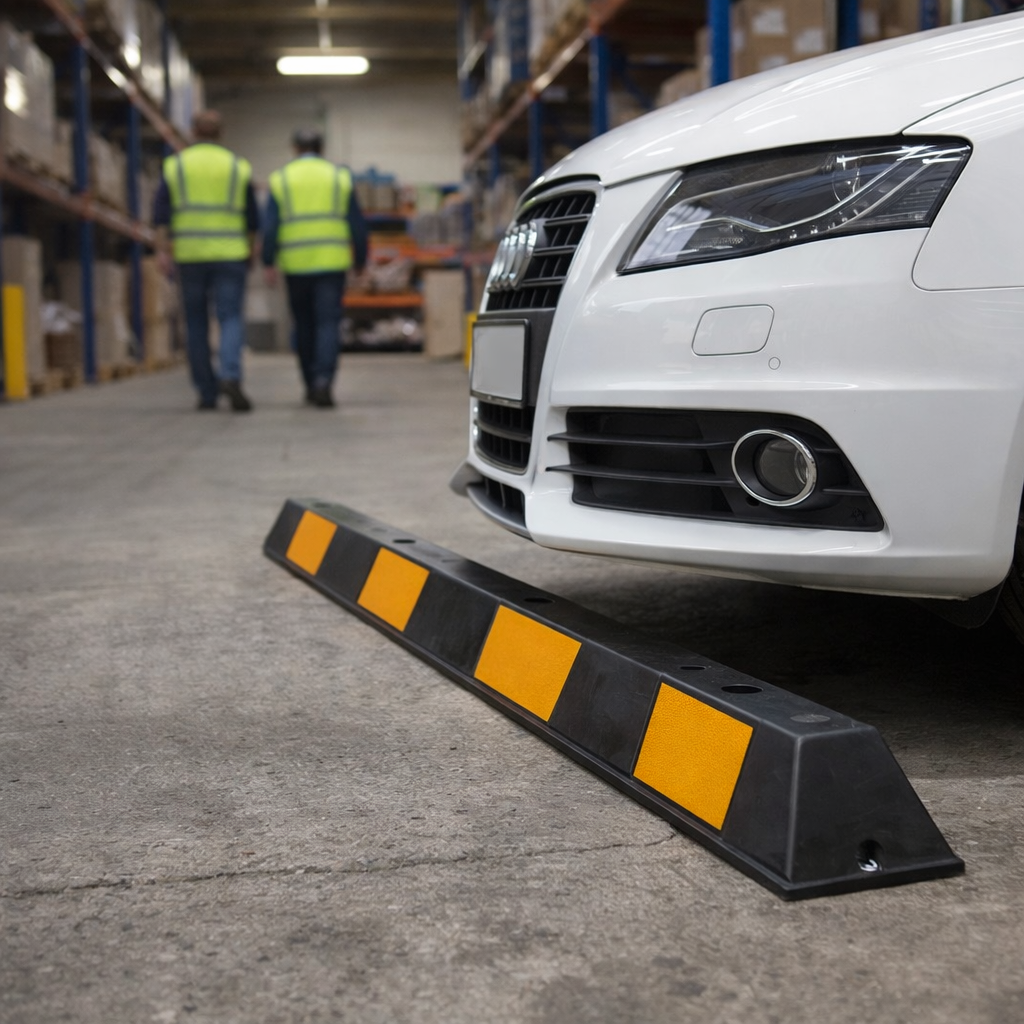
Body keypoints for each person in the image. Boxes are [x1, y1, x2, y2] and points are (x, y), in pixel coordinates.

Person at [153, 109, 259, 412]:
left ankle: (206, 391)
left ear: (193, 132)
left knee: (196, 322)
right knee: (230, 318)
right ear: (221, 133)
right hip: (231, 253)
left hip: (190, 255)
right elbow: (252, 218)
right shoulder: (237, 166)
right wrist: (251, 250)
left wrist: (162, 251)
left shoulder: (176, 166)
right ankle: (231, 375)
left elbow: (161, 214)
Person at [262, 128, 368, 408]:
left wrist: (267, 260)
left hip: (295, 264)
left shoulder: (281, 178)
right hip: (332, 263)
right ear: (321, 148)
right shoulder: (339, 177)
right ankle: (324, 381)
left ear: (295, 148)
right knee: (328, 323)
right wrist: (360, 260)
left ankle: (309, 383)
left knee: (304, 324)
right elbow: (357, 223)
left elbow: (270, 227)